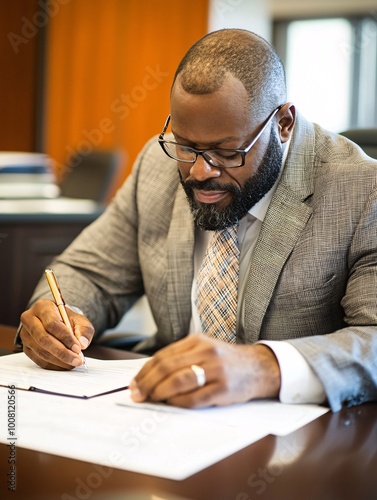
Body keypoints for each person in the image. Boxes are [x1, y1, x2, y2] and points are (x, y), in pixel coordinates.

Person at [17, 29, 377, 413]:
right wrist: (57, 318)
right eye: (187, 147)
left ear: (283, 123)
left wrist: (263, 366)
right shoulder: (158, 166)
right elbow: (88, 273)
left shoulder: (361, 190)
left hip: (299, 443)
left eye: (226, 151)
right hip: (162, 418)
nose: (201, 171)